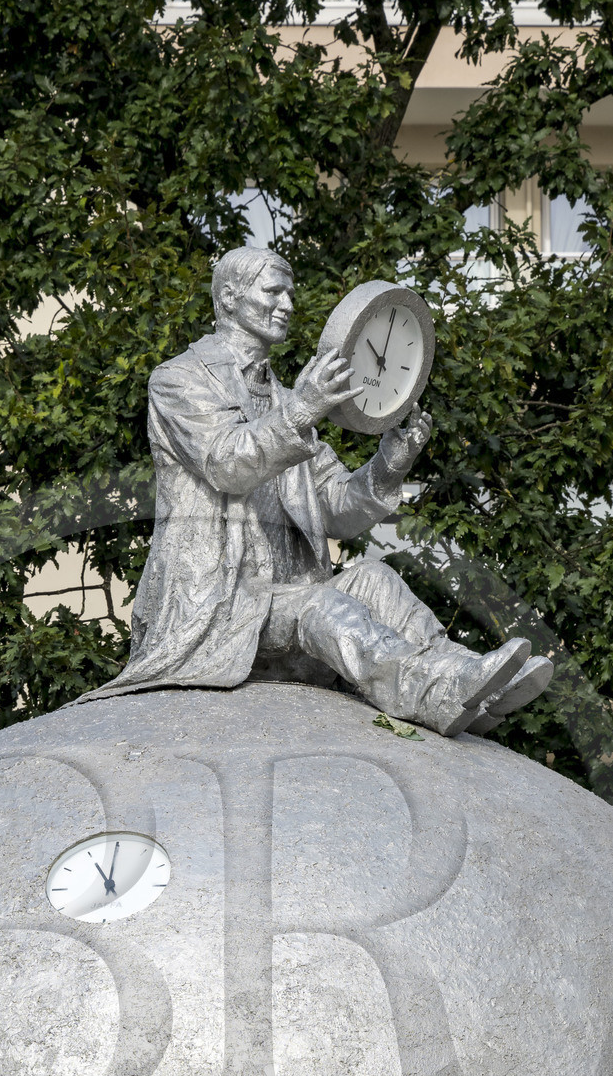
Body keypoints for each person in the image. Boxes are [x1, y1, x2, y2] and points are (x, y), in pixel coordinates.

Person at [85, 246, 552, 735]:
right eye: (273, 291)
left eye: (290, 293)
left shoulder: (286, 399)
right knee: (323, 606)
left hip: (283, 602)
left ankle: (469, 681)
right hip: (221, 607)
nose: (287, 304)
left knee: (375, 579)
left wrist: (389, 466)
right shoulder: (179, 380)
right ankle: (432, 691)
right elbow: (226, 463)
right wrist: (303, 410)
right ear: (229, 298)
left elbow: (335, 507)